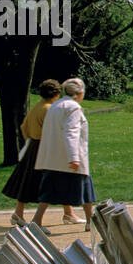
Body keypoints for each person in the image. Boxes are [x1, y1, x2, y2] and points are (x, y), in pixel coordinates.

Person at [33, 77, 96, 229]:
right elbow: (72, 132)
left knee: (48, 192)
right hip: (69, 157)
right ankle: (91, 222)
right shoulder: (73, 108)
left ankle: (37, 221)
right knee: (86, 190)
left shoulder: (56, 106)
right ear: (80, 93)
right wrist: (74, 158)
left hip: (54, 158)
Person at [2, 78, 62, 224]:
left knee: (26, 180)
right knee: (47, 181)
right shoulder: (49, 109)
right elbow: (53, 131)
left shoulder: (38, 106)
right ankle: (36, 219)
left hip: (33, 145)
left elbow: (24, 127)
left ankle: (19, 212)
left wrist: (30, 140)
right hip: (43, 147)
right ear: (56, 93)